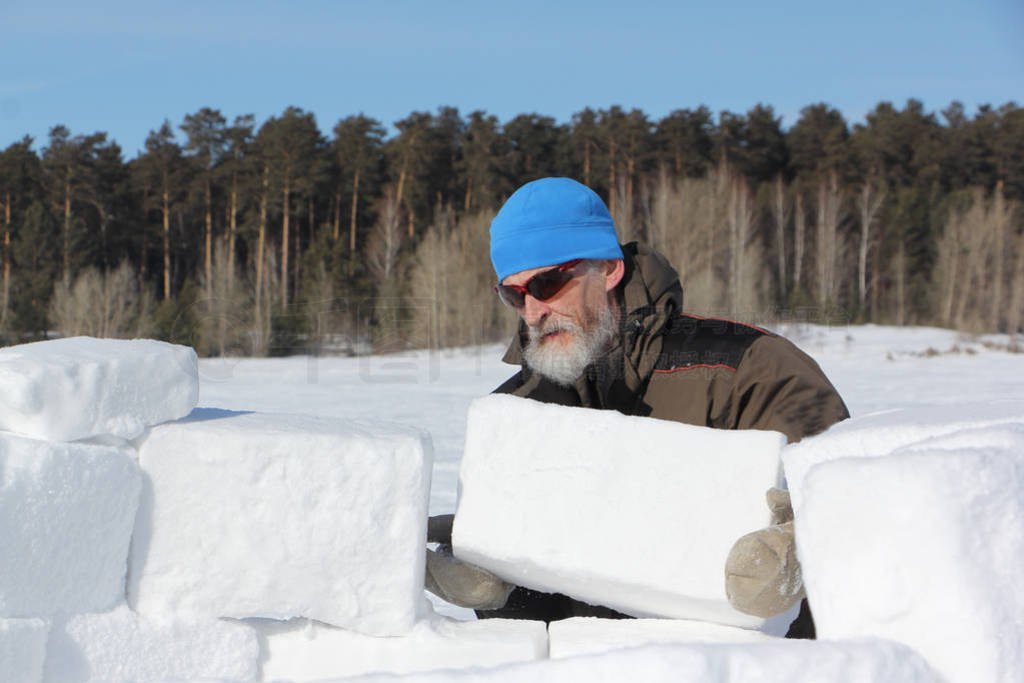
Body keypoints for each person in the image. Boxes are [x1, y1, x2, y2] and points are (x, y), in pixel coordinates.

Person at [425, 177, 849, 637]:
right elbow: (547, 617)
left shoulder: (749, 369)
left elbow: (856, 508)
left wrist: (802, 554)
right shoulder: (515, 410)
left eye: (546, 284)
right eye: (514, 294)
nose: (531, 313)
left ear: (608, 269)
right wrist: (496, 580)